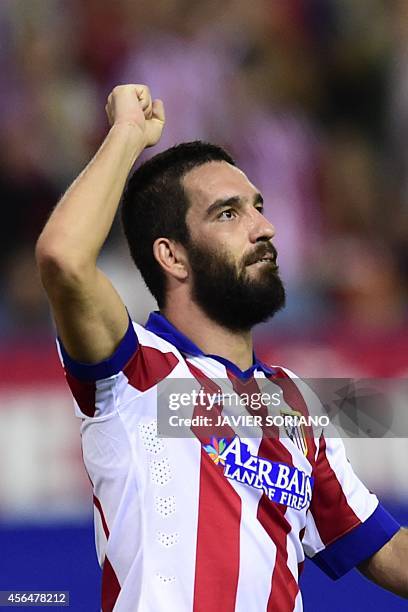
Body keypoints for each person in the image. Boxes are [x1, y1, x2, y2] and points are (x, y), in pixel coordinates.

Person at [36, 84, 407, 612]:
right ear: (173, 256)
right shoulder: (134, 369)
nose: (265, 228)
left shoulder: (291, 402)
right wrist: (126, 135)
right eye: (229, 214)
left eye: (257, 207)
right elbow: (63, 258)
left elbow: (389, 550)